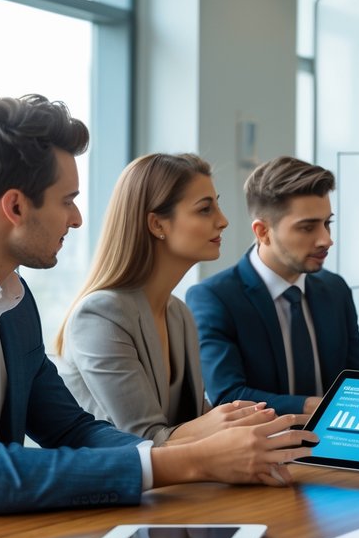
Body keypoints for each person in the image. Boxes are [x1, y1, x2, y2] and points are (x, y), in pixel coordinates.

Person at [0, 94, 315, 526]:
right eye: (68, 200)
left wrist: (202, 458)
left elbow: (73, 430)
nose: (78, 219)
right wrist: (192, 461)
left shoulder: (13, 298)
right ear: (16, 206)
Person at [56, 153, 268, 445]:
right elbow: (143, 441)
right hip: (118, 488)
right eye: (205, 209)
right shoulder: (99, 315)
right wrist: (225, 420)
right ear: (157, 225)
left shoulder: (178, 314)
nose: (223, 221)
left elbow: (194, 422)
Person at [186, 156, 359, 415]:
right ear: (263, 232)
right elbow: (228, 396)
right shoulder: (214, 298)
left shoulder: (335, 289)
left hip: (342, 443)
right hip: (263, 449)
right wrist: (315, 406)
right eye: (307, 228)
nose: (326, 240)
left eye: (327, 223)